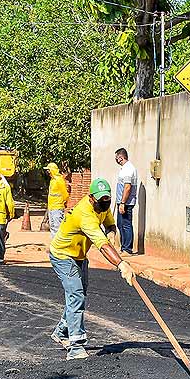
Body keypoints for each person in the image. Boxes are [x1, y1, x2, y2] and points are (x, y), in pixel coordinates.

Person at [48, 178, 135, 360]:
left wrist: (112, 231)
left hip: (79, 255)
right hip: (63, 255)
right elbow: (102, 245)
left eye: (107, 199)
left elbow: (110, 224)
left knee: (79, 294)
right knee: (76, 295)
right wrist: (121, 264)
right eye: (101, 200)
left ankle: (62, 332)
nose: (105, 203)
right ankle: (76, 347)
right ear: (91, 198)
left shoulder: (102, 208)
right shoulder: (85, 214)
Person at [114, 147, 139, 254]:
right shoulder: (125, 168)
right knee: (120, 224)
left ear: (120, 157)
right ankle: (124, 247)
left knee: (126, 224)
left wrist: (123, 203)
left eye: (116, 158)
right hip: (122, 202)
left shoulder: (128, 169)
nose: (116, 160)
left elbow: (127, 187)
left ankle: (127, 249)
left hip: (126, 203)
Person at [45, 162, 68, 237]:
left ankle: (59, 245)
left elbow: (65, 194)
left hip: (57, 208)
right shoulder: (52, 180)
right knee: (53, 227)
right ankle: (54, 244)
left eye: (48, 170)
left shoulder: (59, 180)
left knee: (57, 227)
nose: (47, 172)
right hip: (51, 207)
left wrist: (64, 202)